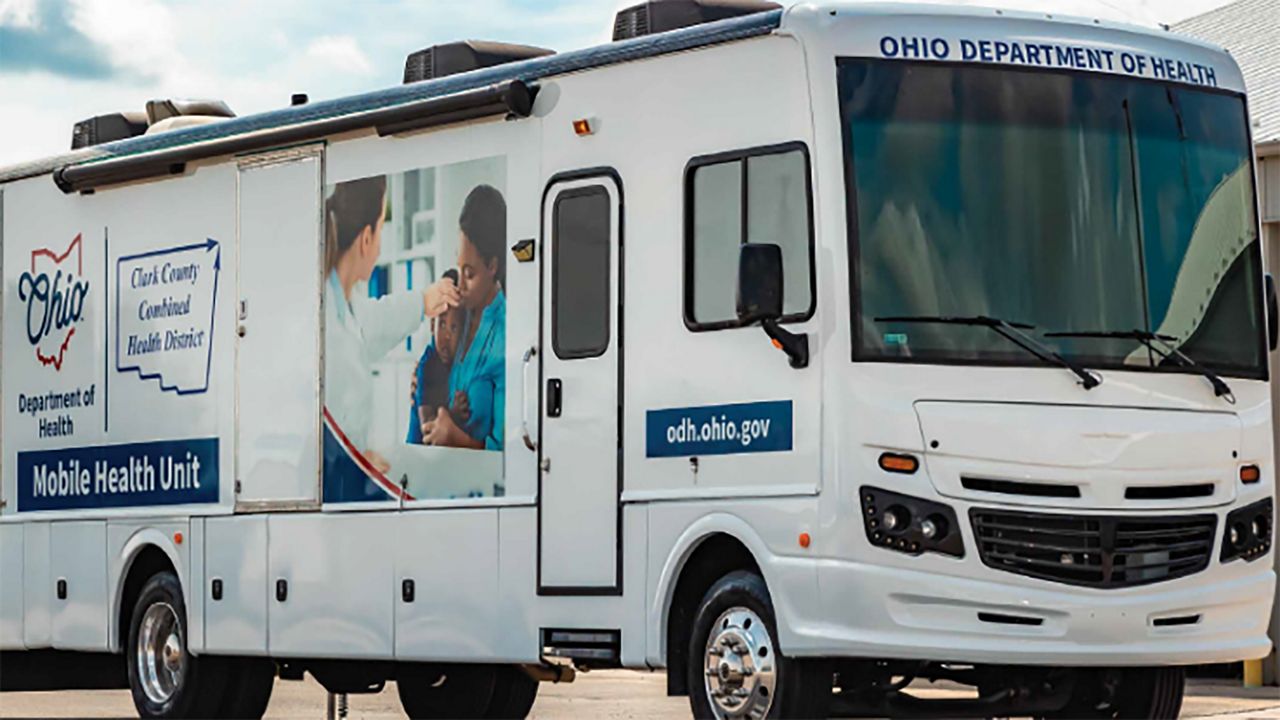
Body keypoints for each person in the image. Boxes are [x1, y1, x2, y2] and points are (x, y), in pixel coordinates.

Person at [323, 175, 460, 470]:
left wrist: (424, 301)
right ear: (367, 239)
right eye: (382, 228)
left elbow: (372, 321)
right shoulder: (327, 321)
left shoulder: (344, 305)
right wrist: (355, 460)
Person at [421, 185, 506, 451]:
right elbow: (434, 357)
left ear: (492, 266)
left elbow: (507, 449)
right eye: (459, 267)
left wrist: (455, 439)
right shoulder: (459, 310)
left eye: (469, 274)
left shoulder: (508, 333)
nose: (461, 285)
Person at [406, 269, 464, 443]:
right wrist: (452, 414)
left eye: (454, 328)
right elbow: (427, 428)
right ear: (432, 325)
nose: (446, 336)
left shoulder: (458, 360)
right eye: (442, 325)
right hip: (418, 455)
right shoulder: (428, 364)